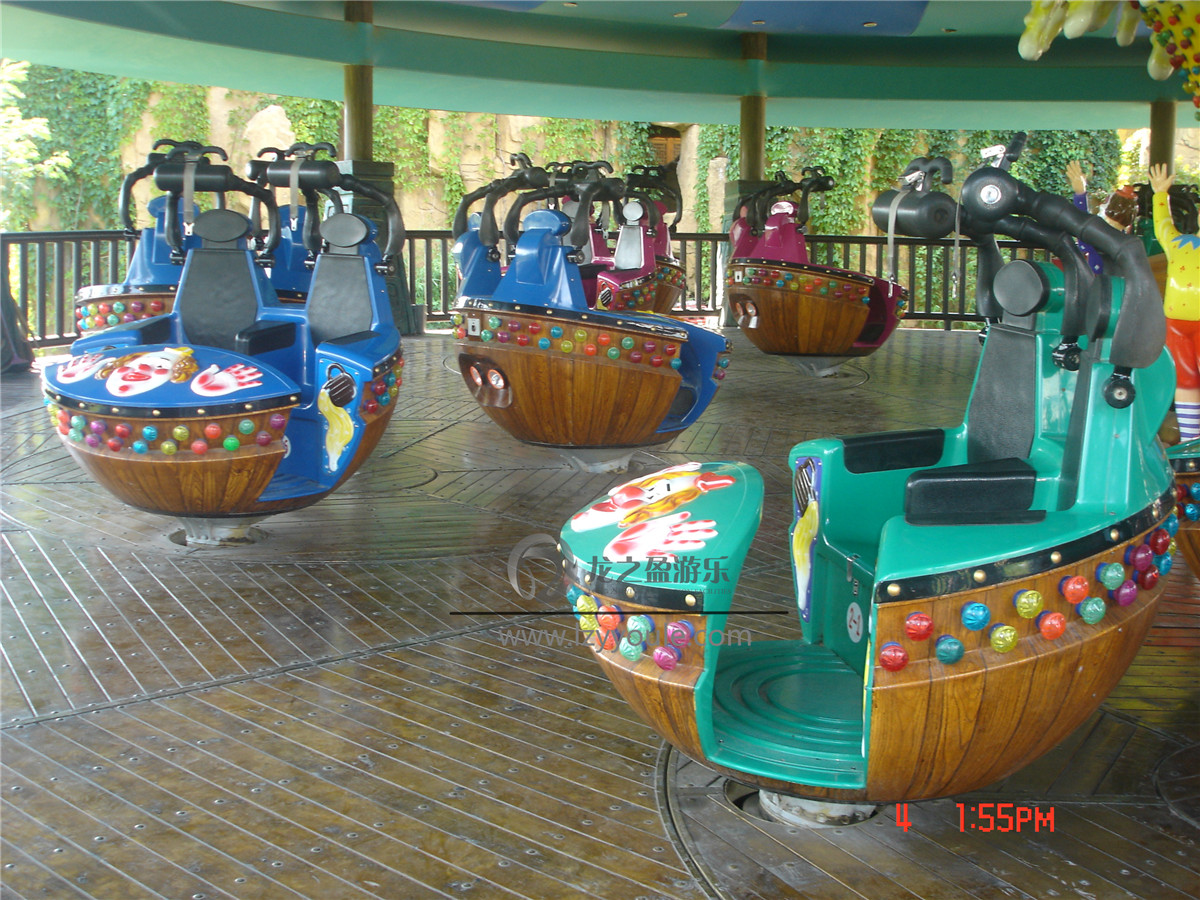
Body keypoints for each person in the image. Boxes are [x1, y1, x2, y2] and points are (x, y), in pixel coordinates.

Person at [1149, 162, 1200, 441]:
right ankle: (1192, 441)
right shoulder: (1180, 244)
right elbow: (1163, 226)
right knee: (1185, 380)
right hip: (1176, 325)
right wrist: (1160, 195)